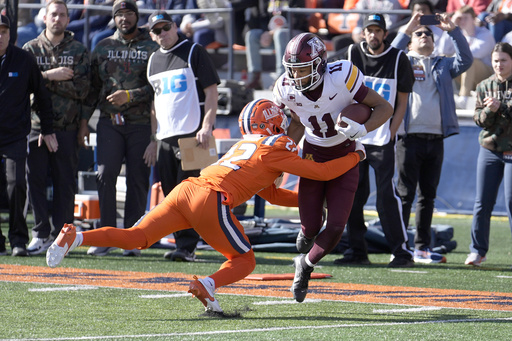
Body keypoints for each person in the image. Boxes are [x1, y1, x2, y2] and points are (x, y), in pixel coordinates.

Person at [45, 98, 366, 313]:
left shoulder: (248, 145)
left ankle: (76, 237)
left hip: (187, 190)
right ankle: (206, 284)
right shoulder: (275, 147)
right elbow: (323, 172)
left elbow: (270, 194)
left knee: (136, 237)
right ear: (274, 122)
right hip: (210, 199)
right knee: (244, 260)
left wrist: (306, 204)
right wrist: (356, 155)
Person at [273, 32, 393, 302]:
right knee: (310, 227)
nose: (297, 77)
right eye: (293, 71)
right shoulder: (285, 88)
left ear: (319, 64)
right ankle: (307, 234)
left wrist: (362, 129)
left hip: (344, 155)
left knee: (338, 225)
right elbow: (295, 124)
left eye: (303, 70)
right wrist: (280, 162)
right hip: (313, 156)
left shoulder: (341, 76)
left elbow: (384, 107)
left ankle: (304, 265)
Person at [331, 13, 415, 268]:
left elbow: (402, 100)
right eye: (370, 30)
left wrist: (392, 131)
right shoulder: (350, 55)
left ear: (385, 34)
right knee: (353, 194)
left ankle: (401, 252)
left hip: (381, 138)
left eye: (378, 30)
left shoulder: (398, 58)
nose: (373, 35)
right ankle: (357, 251)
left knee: (386, 197)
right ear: (363, 33)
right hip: (353, 139)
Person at [392, 12, 473, 263]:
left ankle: (422, 247)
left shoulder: (444, 64)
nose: (425, 35)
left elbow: (467, 60)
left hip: (435, 139)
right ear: (410, 42)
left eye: (428, 33)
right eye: (420, 34)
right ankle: (400, 246)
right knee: (405, 196)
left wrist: (452, 31)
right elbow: (388, 57)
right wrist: (407, 29)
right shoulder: (402, 61)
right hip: (409, 138)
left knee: (428, 196)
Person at [82, 0, 158, 257]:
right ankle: (106, 235)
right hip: (108, 123)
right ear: (114, 18)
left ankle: (132, 239)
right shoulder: (102, 46)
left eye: (129, 14)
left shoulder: (151, 47)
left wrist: (131, 95)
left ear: (137, 16)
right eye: (119, 15)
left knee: (138, 178)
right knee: (105, 174)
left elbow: (159, 87)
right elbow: (92, 89)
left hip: (140, 124)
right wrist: (84, 122)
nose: (124, 19)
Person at [145, 10, 220, 262]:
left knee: (193, 195)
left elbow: (211, 92)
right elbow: (154, 105)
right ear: (152, 35)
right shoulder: (153, 60)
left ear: (175, 27)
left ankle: (189, 246)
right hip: (165, 137)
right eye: (157, 30)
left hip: (193, 135)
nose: (162, 33)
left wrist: (207, 126)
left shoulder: (193, 51)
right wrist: (154, 139)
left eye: (166, 27)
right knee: (171, 194)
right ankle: (182, 245)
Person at [23, 0, 90, 255]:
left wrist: (41, 81)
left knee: (65, 184)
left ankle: (63, 238)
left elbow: (82, 90)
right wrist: (52, 76)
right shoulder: (30, 49)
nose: (57, 19)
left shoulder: (79, 50)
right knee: (34, 181)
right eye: (54, 14)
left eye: (62, 15)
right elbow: (24, 87)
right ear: (44, 17)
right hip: (35, 127)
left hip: (67, 126)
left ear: (68, 19)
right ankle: (40, 233)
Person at [0, 14, 56, 256]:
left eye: (3, 31)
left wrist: (47, 129)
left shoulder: (23, 60)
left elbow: (42, 97)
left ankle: (18, 240)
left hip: (14, 135)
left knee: (17, 185)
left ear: (10, 34)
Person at [466, 42, 512, 266]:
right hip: (489, 148)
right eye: (495, 61)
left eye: (503, 60)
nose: (499, 65)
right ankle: (477, 250)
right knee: (482, 201)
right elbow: (478, 120)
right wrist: (488, 110)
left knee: (511, 200)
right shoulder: (485, 85)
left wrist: (501, 107)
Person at [439, 6, 494, 109]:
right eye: (460, 18)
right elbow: (443, 50)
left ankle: (463, 98)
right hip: (466, 76)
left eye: (465, 18)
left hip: (485, 76)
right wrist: (452, 26)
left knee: (469, 60)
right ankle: (446, 96)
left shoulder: (485, 34)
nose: (462, 21)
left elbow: (473, 54)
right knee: (443, 59)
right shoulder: (457, 33)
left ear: (473, 19)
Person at [244, 0, 308, 89]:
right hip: (271, 35)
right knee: (252, 35)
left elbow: (297, 21)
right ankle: (255, 77)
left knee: (280, 34)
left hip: (294, 34)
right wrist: (265, 33)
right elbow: (262, 18)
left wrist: (272, 32)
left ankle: (281, 77)